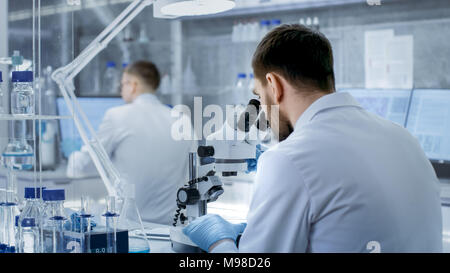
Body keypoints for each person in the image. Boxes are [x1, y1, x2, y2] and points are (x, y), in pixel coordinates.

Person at [182, 24, 443, 253]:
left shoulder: (287, 160)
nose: (261, 109)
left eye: (259, 96)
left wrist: (219, 242)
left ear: (274, 85)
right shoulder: (405, 138)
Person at [67, 61, 193, 225]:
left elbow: (85, 164)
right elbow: (194, 172)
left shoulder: (117, 116)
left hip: (132, 229)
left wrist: (73, 156)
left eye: (122, 85)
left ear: (133, 85)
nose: (121, 91)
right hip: (172, 226)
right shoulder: (182, 119)